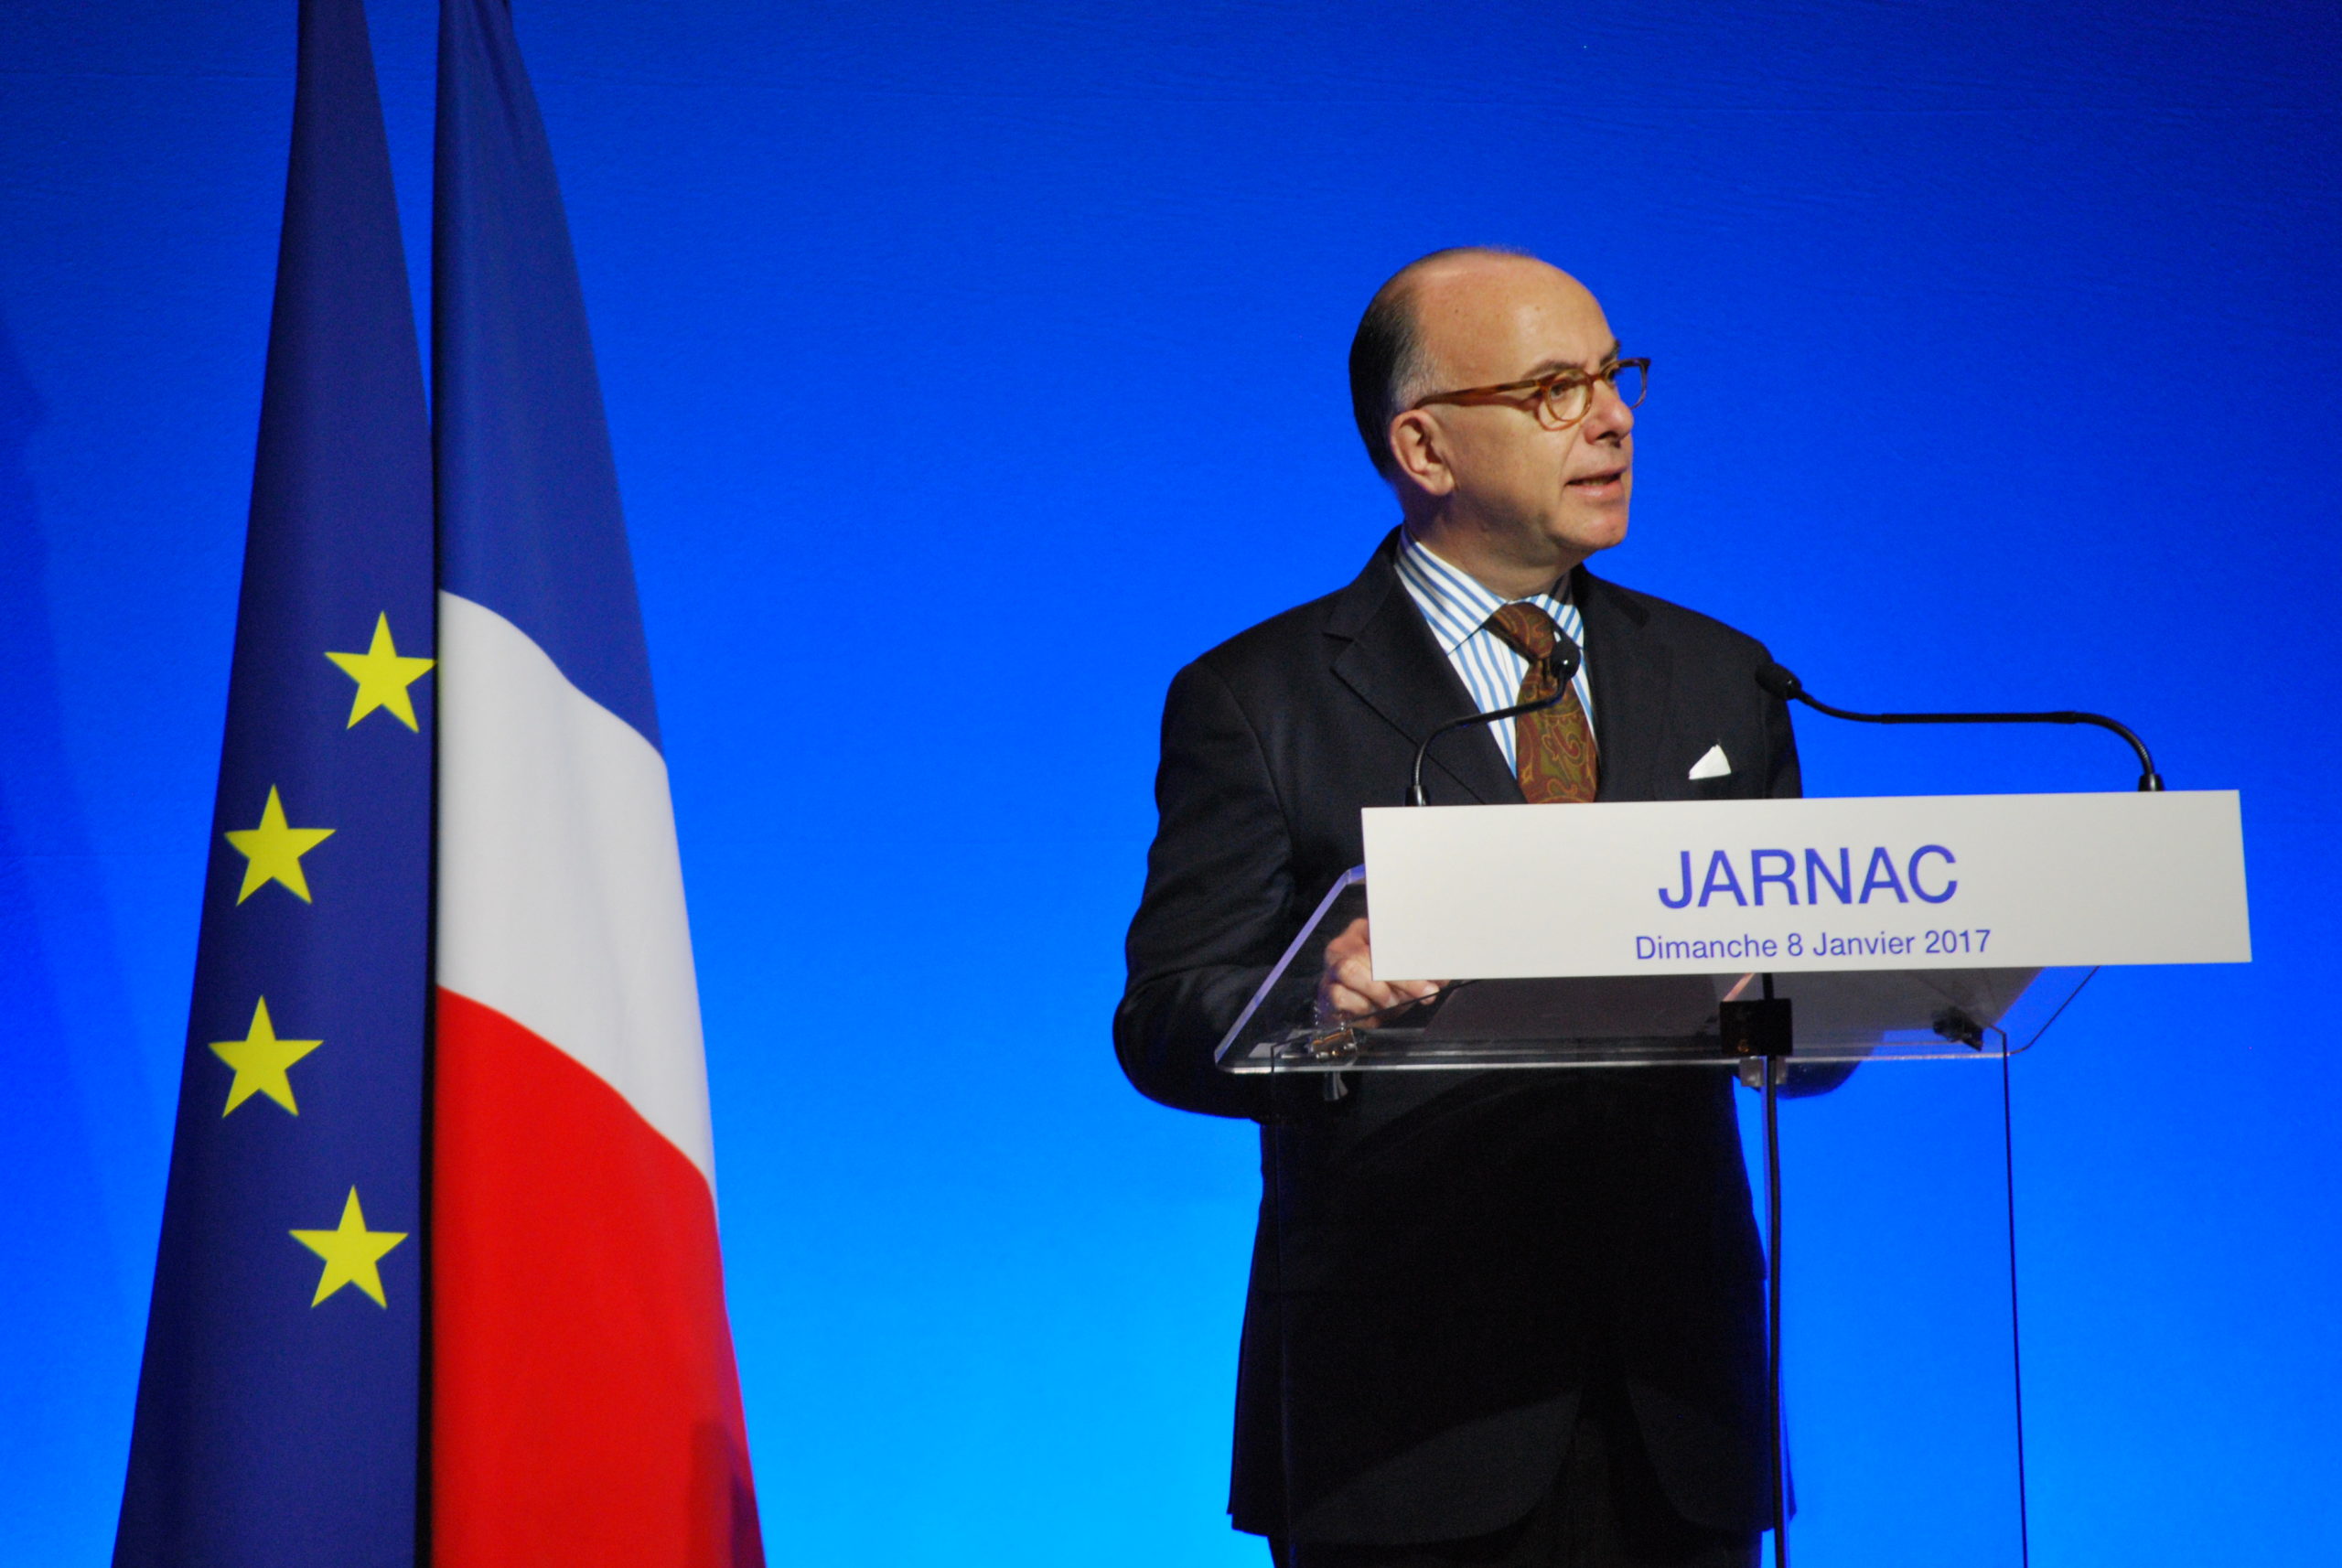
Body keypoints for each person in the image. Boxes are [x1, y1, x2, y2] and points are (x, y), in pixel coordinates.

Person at [1115, 249, 1807, 1567]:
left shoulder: (1729, 678)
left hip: (1679, 1402)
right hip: (1404, 1409)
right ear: (1424, 446)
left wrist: (1801, 998)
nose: (1611, 419)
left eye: (1615, 379)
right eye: (1555, 389)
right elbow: (1162, 1013)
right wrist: (1315, 1007)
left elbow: (1791, 1023)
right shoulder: (1258, 697)